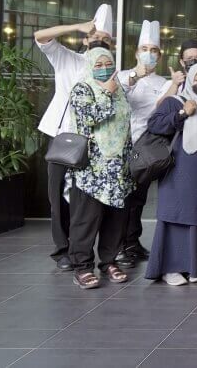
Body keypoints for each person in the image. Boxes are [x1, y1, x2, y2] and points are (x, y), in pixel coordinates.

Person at [34, 4, 114, 271]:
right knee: (57, 196)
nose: (99, 42)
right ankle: (62, 250)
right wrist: (77, 25)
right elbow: (41, 36)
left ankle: (82, 250)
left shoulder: (110, 71)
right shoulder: (68, 59)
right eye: (94, 37)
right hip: (63, 138)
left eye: (105, 39)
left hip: (94, 144)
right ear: (85, 40)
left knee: (83, 201)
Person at [144, 63, 197, 286]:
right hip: (180, 169)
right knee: (178, 215)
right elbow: (154, 124)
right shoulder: (177, 101)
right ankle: (171, 268)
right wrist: (182, 114)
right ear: (190, 80)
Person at [66, 46, 133, 289]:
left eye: (108, 64)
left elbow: (124, 120)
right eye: (98, 65)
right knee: (86, 219)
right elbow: (88, 118)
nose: (104, 69)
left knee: (115, 218)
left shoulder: (119, 88)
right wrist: (105, 93)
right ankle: (82, 267)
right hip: (92, 167)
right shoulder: (82, 88)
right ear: (89, 66)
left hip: (117, 166)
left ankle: (109, 262)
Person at [115, 20, 173, 267]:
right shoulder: (122, 76)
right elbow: (116, 96)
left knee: (138, 198)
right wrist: (135, 76)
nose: (149, 54)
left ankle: (132, 242)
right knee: (122, 198)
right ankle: (118, 247)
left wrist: (176, 84)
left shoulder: (164, 82)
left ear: (159, 56)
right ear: (137, 53)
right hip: (121, 146)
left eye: (154, 50)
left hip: (146, 147)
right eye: (145, 49)